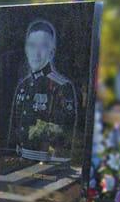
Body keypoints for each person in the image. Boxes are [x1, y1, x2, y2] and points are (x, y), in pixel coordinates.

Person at [8, 19, 78, 162]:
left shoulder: (61, 86)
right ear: (26, 49)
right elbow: (15, 127)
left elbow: (65, 130)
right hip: (20, 159)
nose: (36, 53)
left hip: (45, 161)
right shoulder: (23, 85)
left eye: (43, 47)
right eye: (32, 46)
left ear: (52, 52)